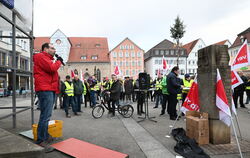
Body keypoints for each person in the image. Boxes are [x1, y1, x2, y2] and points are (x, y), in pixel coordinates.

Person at [33, 42, 62, 151]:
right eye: (52, 48)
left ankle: (45, 135)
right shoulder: (41, 57)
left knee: (46, 115)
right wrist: (59, 61)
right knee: (45, 116)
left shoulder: (47, 58)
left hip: (49, 89)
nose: (54, 50)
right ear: (45, 49)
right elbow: (51, 68)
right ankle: (41, 140)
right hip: (45, 89)